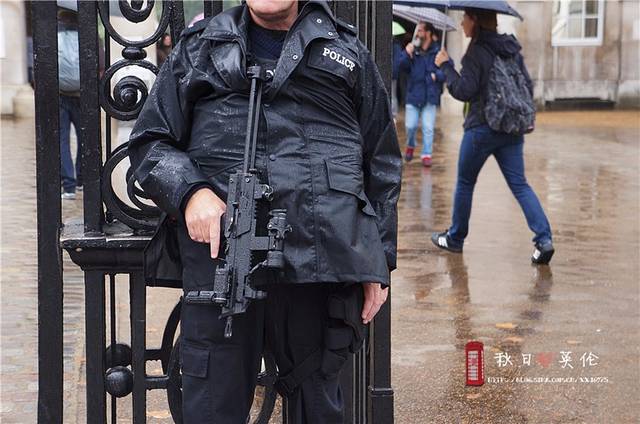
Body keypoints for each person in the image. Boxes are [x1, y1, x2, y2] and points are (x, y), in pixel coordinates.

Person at [127, 1, 401, 422]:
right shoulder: (201, 47)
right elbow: (150, 141)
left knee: (319, 402)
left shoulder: (346, 51)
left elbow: (381, 160)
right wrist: (190, 193)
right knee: (213, 405)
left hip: (320, 261)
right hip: (223, 261)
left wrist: (377, 261)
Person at [432, 8, 555, 265]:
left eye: (465, 18)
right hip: (511, 129)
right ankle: (544, 240)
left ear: (475, 20)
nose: (462, 23)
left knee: (465, 182)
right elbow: (527, 86)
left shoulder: (477, 52)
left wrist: (446, 66)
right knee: (520, 185)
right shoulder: (511, 48)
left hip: (482, 128)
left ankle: (455, 238)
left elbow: (464, 90)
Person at [398, 21, 445, 167]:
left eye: (420, 30)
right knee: (410, 126)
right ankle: (410, 145)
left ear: (428, 33)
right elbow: (400, 67)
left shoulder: (438, 51)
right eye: (417, 30)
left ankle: (426, 154)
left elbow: (447, 71)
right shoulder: (413, 50)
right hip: (413, 95)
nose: (417, 33)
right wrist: (406, 53)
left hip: (430, 96)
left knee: (428, 128)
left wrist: (436, 75)